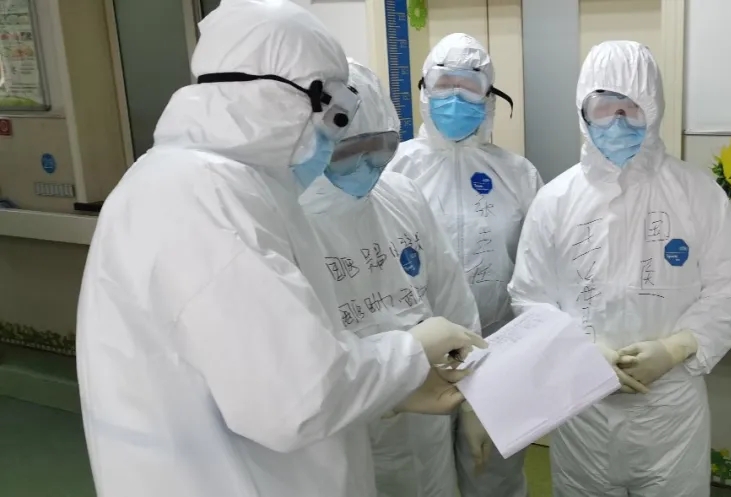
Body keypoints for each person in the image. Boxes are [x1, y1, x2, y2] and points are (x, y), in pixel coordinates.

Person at [74, 2, 484, 497]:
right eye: (335, 116)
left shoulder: (209, 184)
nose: (333, 136)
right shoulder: (203, 198)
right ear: (295, 97)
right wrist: (412, 354)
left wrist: (396, 382)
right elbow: (298, 398)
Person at [508, 40, 731, 497]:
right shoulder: (555, 200)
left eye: (632, 107)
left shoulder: (696, 193)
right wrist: (581, 352)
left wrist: (678, 347)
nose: (618, 120)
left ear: (655, 108)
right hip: (582, 405)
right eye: (604, 106)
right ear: (583, 111)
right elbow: (530, 297)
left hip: (670, 410)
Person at [299, 59, 483, 497]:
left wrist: (478, 399)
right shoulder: (288, 224)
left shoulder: (401, 196)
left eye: (382, 147)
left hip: (428, 427)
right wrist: (386, 390)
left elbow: (453, 302)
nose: (370, 164)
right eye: (351, 152)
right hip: (346, 443)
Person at [386, 32, 544, 497]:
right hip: (418, 356)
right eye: (444, 85)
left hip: (498, 350)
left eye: (469, 87)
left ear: (489, 95)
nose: (455, 98)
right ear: (424, 90)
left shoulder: (518, 174)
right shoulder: (393, 169)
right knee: (419, 479)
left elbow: (536, 272)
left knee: (494, 475)